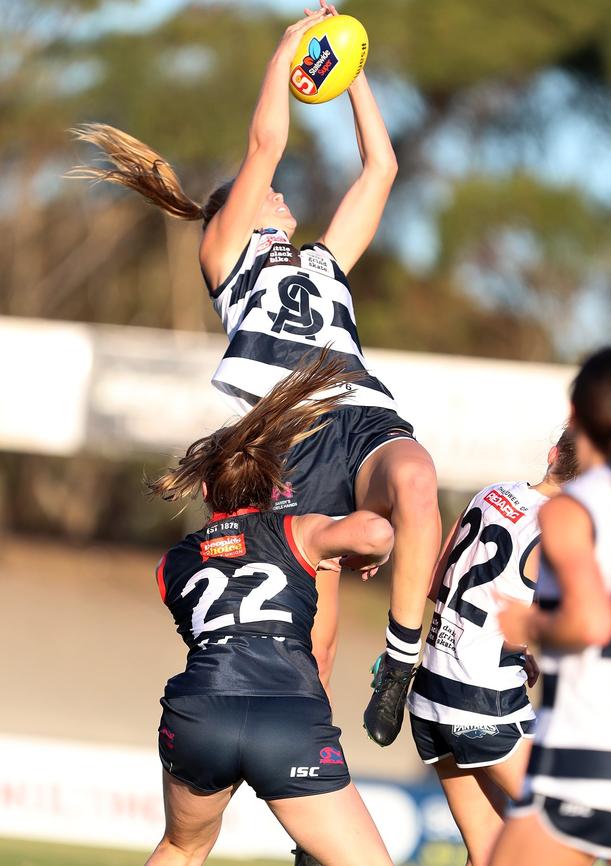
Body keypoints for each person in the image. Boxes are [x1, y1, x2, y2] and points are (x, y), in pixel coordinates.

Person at [70, 0, 441, 749]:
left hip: (359, 414)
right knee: (317, 645)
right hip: (286, 435)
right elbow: (268, 139)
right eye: (259, 193)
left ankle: (402, 657)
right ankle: (311, 789)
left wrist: (353, 69)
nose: (274, 192)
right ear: (225, 218)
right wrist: (290, 47)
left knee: (420, 485)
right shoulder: (227, 258)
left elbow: (383, 168)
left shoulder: (324, 263)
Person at [146, 349, 395, 866]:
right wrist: (345, 556)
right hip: (286, 717)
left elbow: (225, 570)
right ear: (272, 485)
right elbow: (376, 531)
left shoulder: (171, 563)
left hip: (199, 714)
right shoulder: (298, 529)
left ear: (207, 488)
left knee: (182, 848)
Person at [491, 346, 611, 866]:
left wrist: (529, 622)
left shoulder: (571, 508)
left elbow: (591, 619)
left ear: (575, 412)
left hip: (586, 754)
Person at [407, 430, 578, 866]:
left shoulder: (490, 493)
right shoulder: (559, 529)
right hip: (485, 701)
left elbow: (434, 584)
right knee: (569, 827)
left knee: (490, 849)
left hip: (430, 692)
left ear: (553, 453)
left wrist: (517, 650)